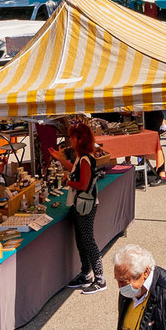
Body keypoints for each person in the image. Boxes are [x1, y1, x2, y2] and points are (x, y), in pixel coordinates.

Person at [62, 119, 108, 291]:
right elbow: (76, 173)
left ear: (79, 139)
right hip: (81, 204)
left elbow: (83, 184)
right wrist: (61, 160)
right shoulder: (82, 158)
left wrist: (68, 181)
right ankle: (86, 274)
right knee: (81, 240)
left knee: (87, 240)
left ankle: (100, 278)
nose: (70, 140)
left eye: (72, 137)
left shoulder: (85, 160)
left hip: (85, 205)